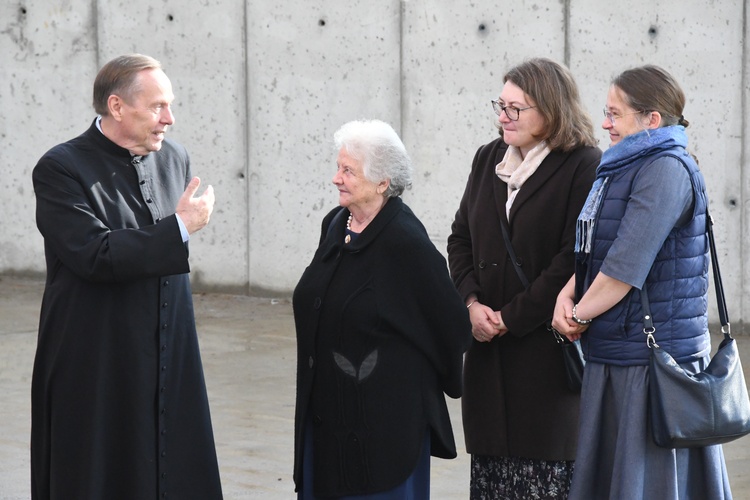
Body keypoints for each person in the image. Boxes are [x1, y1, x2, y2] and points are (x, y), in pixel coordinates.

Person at [30, 54, 223, 500]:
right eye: (157, 107)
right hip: (96, 358)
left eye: (169, 105)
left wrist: (177, 228)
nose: (169, 119)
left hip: (168, 351)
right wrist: (179, 228)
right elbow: (93, 254)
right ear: (116, 107)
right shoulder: (60, 169)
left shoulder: (174, 159)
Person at [551, 65, 733, 499]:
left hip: (652, 362)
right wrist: (568, 291)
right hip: (621, 351)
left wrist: (576, 314)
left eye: (616, 114)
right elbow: (596, 252)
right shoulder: (622, 166)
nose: (606, 124)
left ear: (652, 119)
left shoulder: (665, 169)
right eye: (606, 112)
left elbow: (624, 267)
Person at [292, 119, 472, 498]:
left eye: (348, 171)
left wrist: (406, 372)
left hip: (383, 430)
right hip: (326, 416)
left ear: (382, 182)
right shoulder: (336, 223)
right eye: (338, 167)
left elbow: (452, 324)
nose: (335, 179)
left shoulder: (404, 240)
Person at [447, 58, 601, 499]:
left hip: (544, 359)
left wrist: (510, 318)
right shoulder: (488, 157)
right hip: (486, 356)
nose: (503, 117)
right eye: (501, 105)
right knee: (492, 481)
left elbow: (573, 259)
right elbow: (460, 239)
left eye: (516, 108)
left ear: (551, 111)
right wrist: (472, 305)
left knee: (543, 480)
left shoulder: (583, 165)